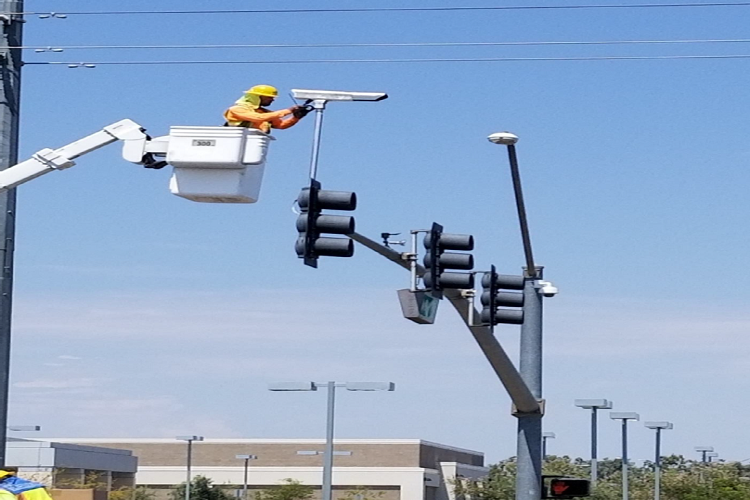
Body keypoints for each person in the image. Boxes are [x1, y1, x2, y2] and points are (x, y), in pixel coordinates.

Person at [223, 85, 311, 133]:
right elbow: (258, 118)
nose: (272, 100)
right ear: (257, 97)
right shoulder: (237, 109)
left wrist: (296, 117)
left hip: (255, 143)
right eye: (269, 97)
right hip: (236, 142)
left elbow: (280, 125)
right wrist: (289, 110)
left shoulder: (264, 112)